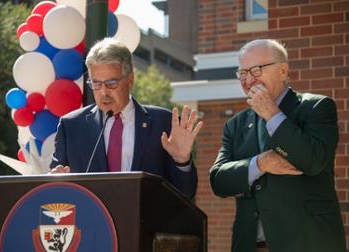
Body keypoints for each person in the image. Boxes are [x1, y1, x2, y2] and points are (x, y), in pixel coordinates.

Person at [209, 39, 346, 252]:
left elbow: (314, 160)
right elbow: (218, 181)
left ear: (283, 71)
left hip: (308, 243)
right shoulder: (235, 125)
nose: (247, 80)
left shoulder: (317, 107)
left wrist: (272, 114)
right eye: (242, 73)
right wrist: (259, 164)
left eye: (256, 70)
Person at [50, 38, 203, 199]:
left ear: (130, 80)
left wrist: (182, 161)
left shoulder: (162, 123)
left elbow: (185, 194)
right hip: (91, 222)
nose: (103, 92)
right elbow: (56, 193)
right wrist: (54, 181)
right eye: (96, 83)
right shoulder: (72, 126)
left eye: (111, 83)